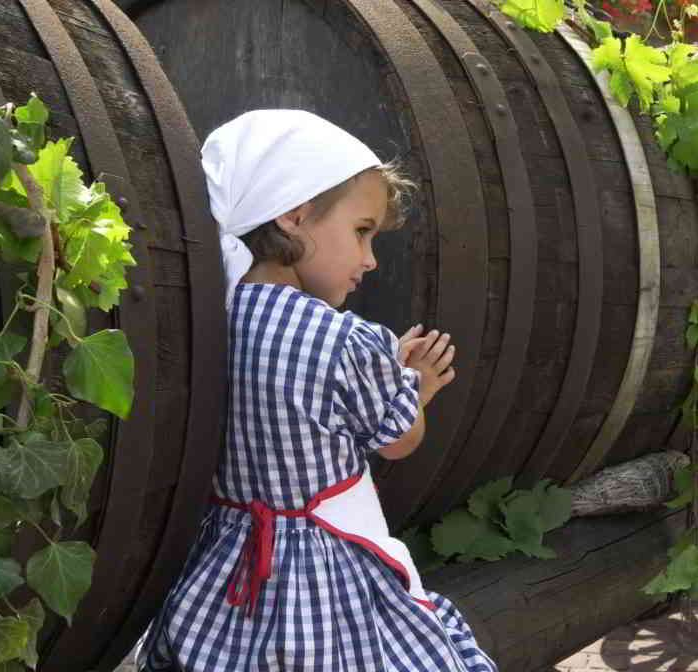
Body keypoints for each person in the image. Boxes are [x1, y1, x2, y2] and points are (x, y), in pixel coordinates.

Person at [137, 110, 497, 672]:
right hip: (320, 566)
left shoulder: (210, 318)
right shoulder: (347, 340)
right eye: (362, 231)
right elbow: (397, 441)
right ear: (294, 213)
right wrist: (416, 387)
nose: (371, 259)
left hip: (224, 555)